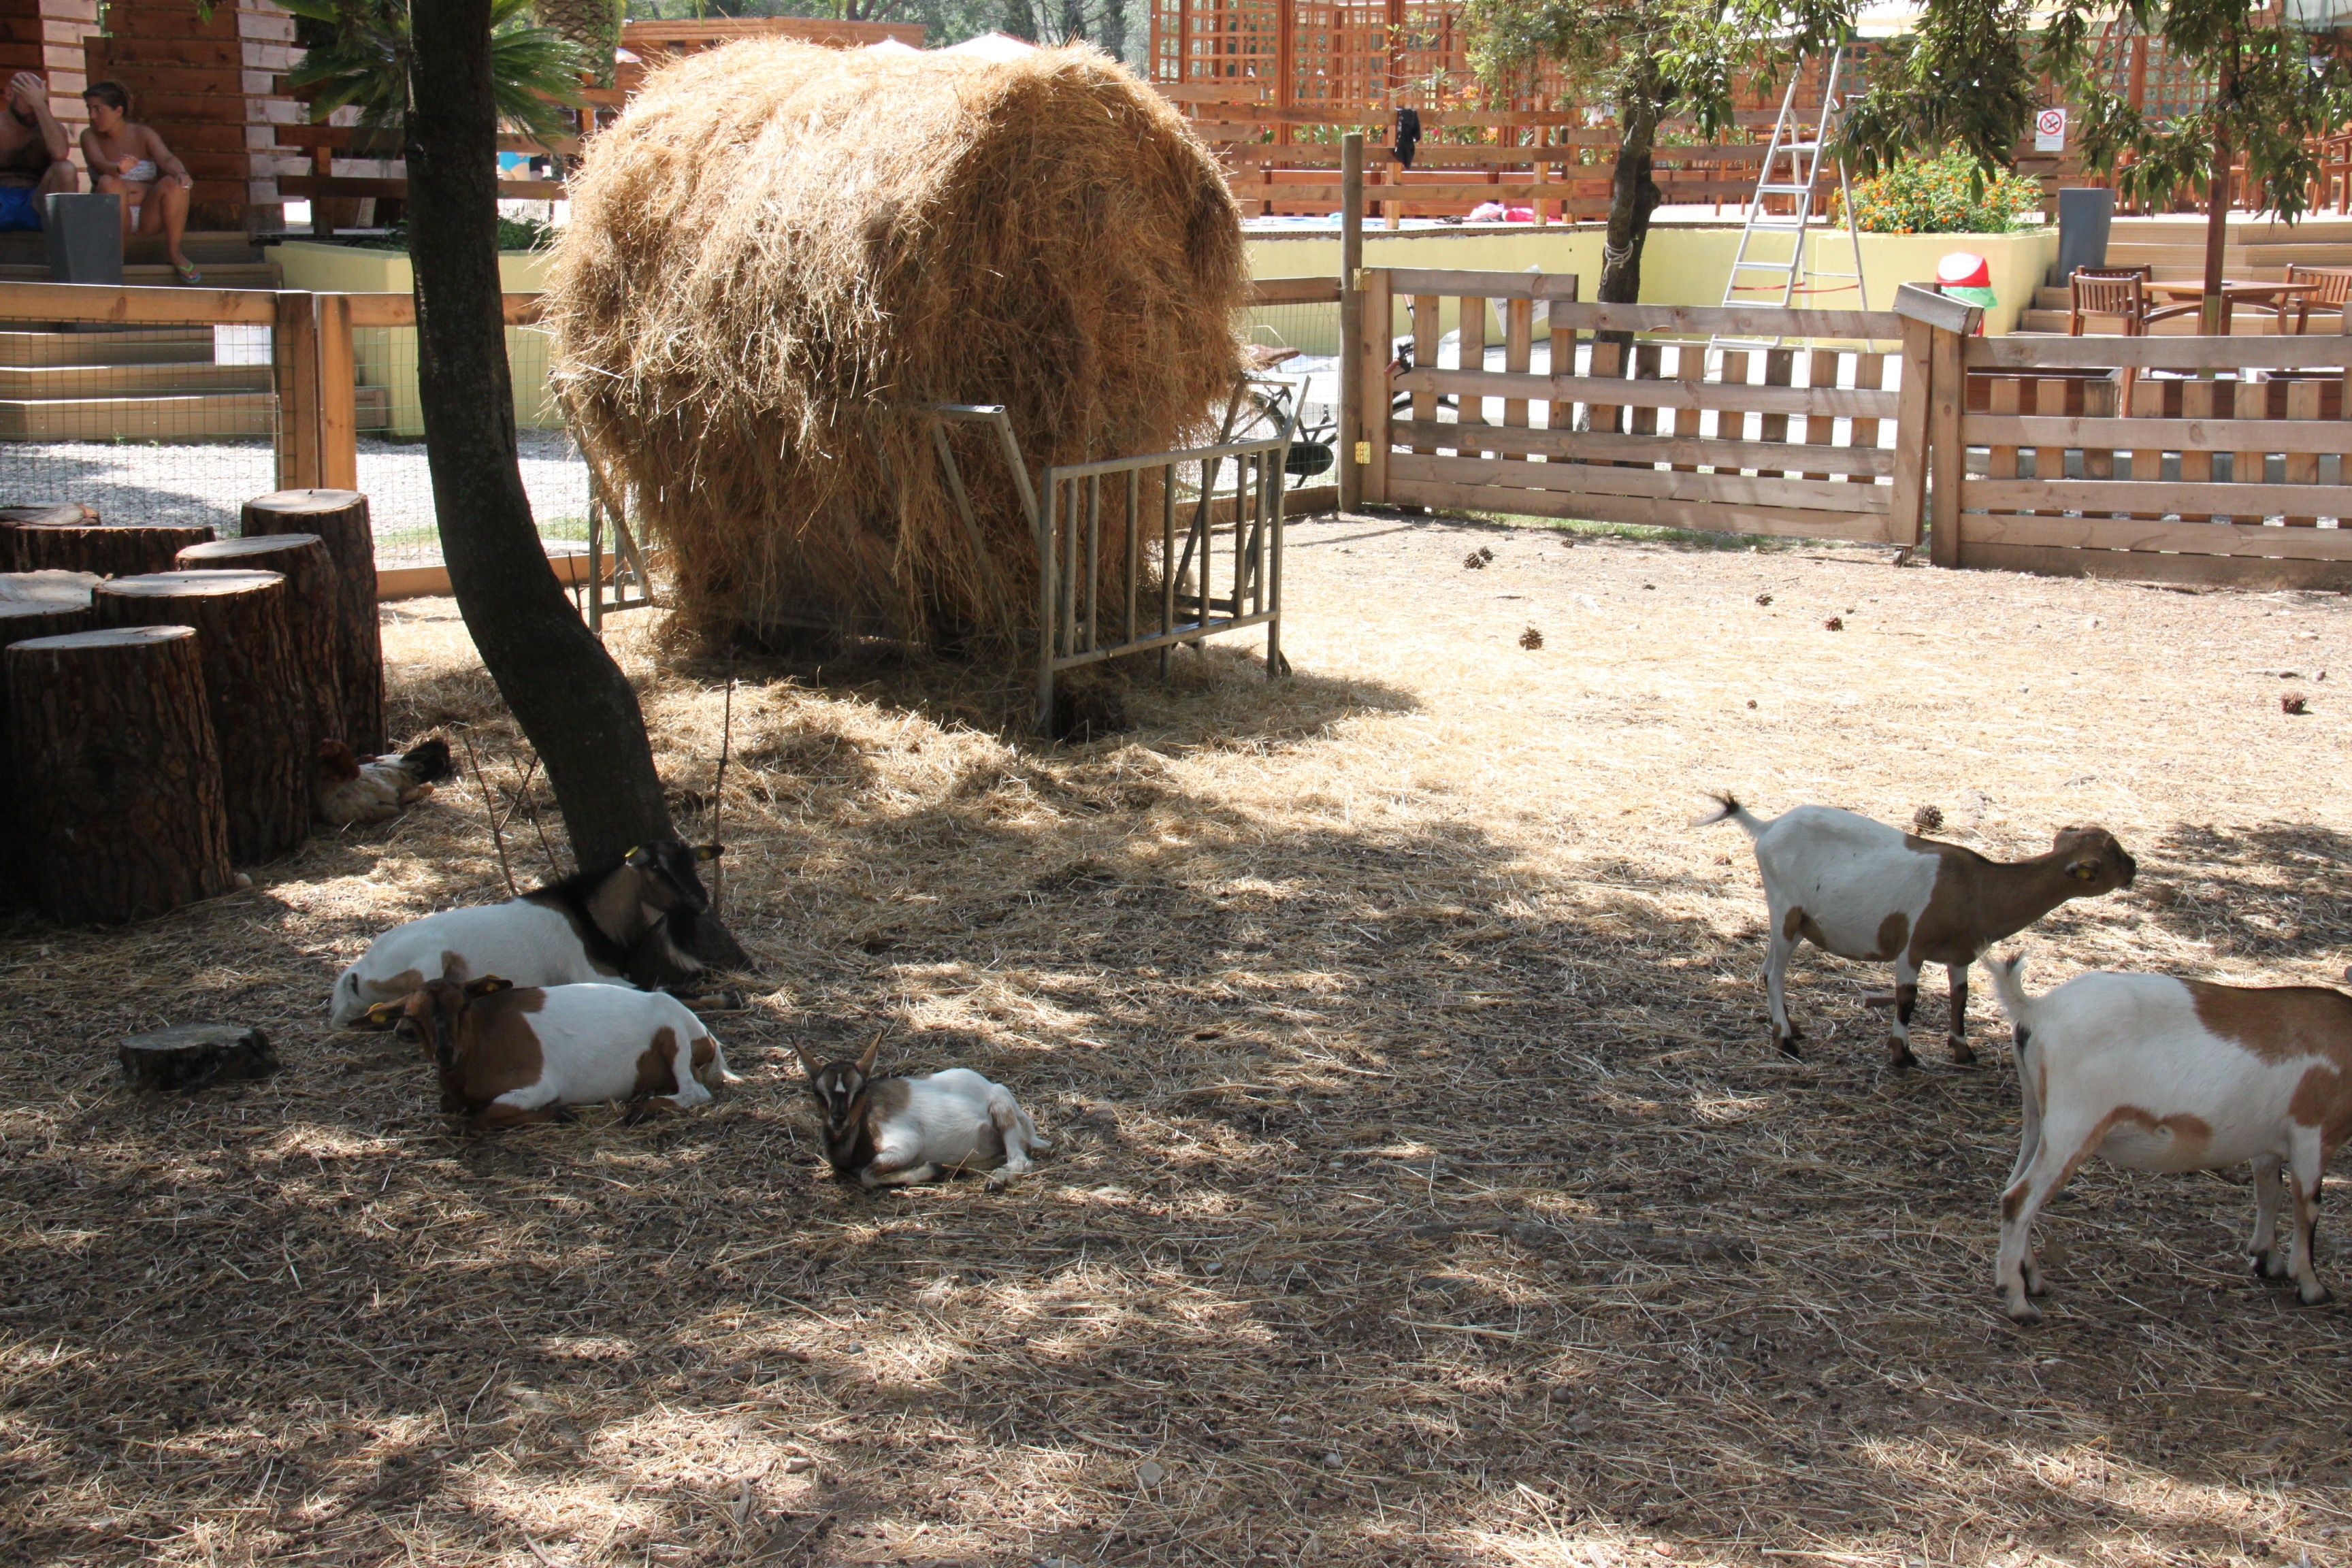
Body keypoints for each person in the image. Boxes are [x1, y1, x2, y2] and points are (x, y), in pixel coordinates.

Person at [78, 80, 197, 282]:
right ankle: (116, 256)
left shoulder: (143, 134)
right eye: (89, 109)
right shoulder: (89, 136)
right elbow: (98, 163)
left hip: (147, 216)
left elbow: (166, 159)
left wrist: (181, 173)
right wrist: (118, 170)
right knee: (109, 182)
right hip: (113, 217)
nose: (92, 116)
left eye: (98, 110)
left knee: (174, 183)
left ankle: (174, 252)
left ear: (118, 110)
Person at [0, 71, 77, 233]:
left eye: (41, 99)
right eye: (29, 100)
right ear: (9, 94)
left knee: (66, 169)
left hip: (36, 204)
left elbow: (60, 154)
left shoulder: (49, 129)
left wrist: (39, 105)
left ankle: (63, 243)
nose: (33, 109)